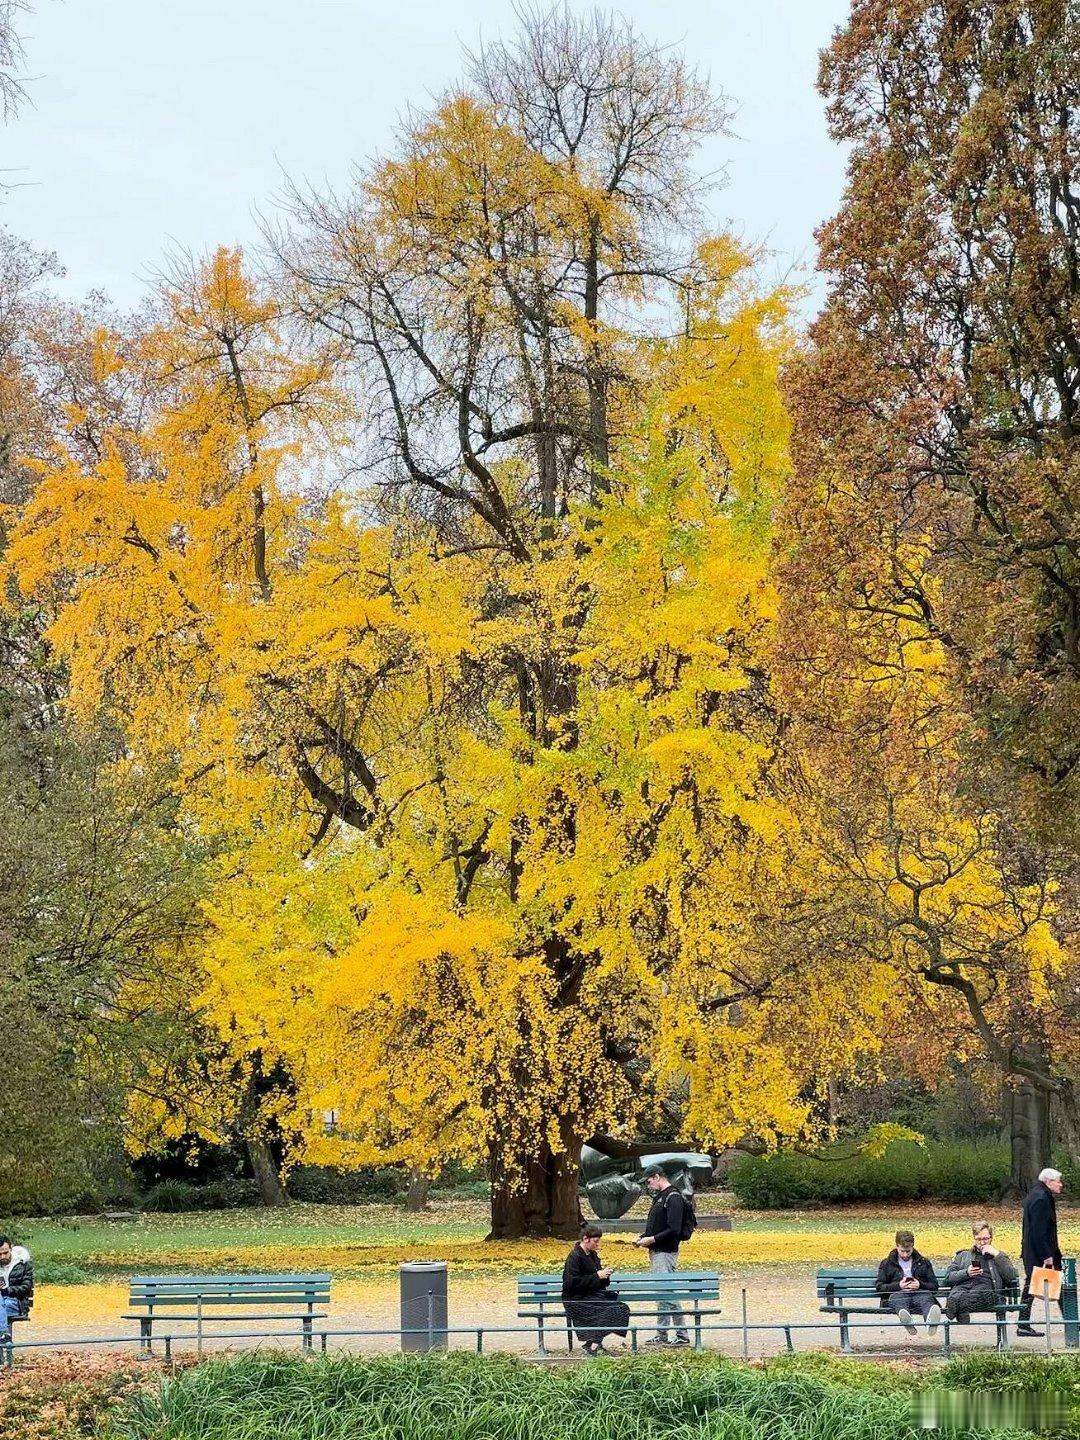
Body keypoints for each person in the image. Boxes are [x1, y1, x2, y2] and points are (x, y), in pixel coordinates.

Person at [633, 1165, 690, 1347]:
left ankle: (682, 1334)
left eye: (648, 1181)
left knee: (667, 1294)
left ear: (657, 1177)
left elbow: (674, 1229)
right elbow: (657, 1225)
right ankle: (662, 1333)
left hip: (665, 1252)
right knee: (662, 1293)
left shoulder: (673, 1198)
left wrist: (651, 1239)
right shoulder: (661, 1198)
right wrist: (643, 1238)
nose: (648, 1185)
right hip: (657, 1251)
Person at [561, 1224, 630, 1355]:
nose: (597, 1245)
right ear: (585, 1239)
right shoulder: (574, 1257)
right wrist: (596, 1276)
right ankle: (594, 1344)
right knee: (613, 1310)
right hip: (576, 1300)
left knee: (622, 1309)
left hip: (591, 1296)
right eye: (595, 1241)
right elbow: (570, 1284)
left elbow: (599, 1283)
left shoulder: (592, 1255)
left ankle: (593, 1342)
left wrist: (604, 1276)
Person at [942, 1220, 1018, 1327]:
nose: (982, 1242)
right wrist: (966, 1273)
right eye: (978, 1239)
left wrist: (996, 1255)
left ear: (991, 1238)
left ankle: (955, 1309)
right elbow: (947, 1279)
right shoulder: (963, 1255)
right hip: (965, 1288)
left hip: (988, 1293)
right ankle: (960, 1307)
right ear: (974, 1238)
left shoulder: (999, 1256)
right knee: (956, 1293)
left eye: (986, 1239)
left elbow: (1011, 1277)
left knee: (974, 1293)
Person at [1017, 1166, 1064, 1338]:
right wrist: (1047, 1255)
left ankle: (1023, 1323)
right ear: (1049, 1182)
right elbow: (1039, 1230)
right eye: (1058, 1181)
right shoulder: (1041, 1198)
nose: (1061, 1185)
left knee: (1054, 1287)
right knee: (1043, 1287)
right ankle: (1071, 1321)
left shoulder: (1036, 1194)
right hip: (1040, 1253)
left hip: (1034, 1251)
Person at [875, 1229, 942, 1337]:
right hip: (898, 1294)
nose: (905, 1254)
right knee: (898, 1301)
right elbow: (879, 1287)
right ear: (897, 1246)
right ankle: (907, 1320)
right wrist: (898, 1286)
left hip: (919, 1292)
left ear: (913, 1247)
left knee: (926, 1299)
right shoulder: (886, 1263)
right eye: (902, 1251)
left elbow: (934, 1286)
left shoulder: (924, 1262)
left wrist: (920, 1284)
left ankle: (930, 1322)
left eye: (908, 1251)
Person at [0, 1237, 33, 1342]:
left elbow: (26, 1287)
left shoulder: (23, 1265)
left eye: (5, 1253)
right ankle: (4, 1334)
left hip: (15, 1302)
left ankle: (3, 1332)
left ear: (11, 1248)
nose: (2, 1257)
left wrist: (7, 1290)